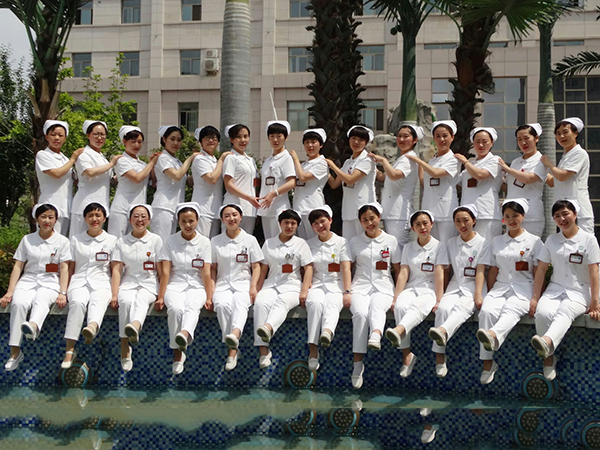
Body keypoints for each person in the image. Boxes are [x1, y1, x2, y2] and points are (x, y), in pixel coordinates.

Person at [529, 199, 600, 380]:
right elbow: (541, 270)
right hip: (555, 289)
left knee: (566, 310)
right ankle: (549, 359)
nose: (562, 219)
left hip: (580, 291)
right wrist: (535, 298)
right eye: (557, 216)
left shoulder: (589, 240)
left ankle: (546, 343)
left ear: (575, 214)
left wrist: (595, 302)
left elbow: (594, 272)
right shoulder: (552, 240)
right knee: (542, 313)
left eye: (565, 214)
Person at [475, 199, 543, 384]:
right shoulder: (497, 241)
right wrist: (490, 293)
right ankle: (488, 364)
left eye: (515, 216)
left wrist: (536, 298)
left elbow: (539, 272)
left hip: (524, 287)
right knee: (487, 311)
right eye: (507, 216)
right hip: (500, 286)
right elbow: (493, 270)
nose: (511, 220)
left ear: (523, 216)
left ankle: (493, 335)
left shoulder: (535, 241)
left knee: (511, 310)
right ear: (503, 219)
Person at [2, 204, 72, 371]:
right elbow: (18, 266)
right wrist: (10, 292)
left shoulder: (63, 241)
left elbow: (64, 268)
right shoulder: (27, 239)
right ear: (36, 219)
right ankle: (15, 352)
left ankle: (33, 326)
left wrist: (63, 292)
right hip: (28, 280)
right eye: (43, 217)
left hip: (50, 281)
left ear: (56, 220)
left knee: (42, 299)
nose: (47, 221)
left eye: (51, 217)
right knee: (18, 303)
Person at [428, 205, 491, 377]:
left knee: (462, 308)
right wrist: (440, 297)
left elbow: (481, 271)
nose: (462, 225)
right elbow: (447, 270)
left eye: (466, 220)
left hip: (474, 286)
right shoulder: (450, 243)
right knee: (443, 309)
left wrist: (478, 294)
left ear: (474, 221)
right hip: (455, 286)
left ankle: (443, 331)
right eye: (458, 221)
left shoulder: (484, 243)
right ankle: (440, 358)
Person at [384, 210, 446, 378]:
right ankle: (407, 355)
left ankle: (399, 330)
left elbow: (439, 274)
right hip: (411, 287)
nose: (422, 227)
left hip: (430, 289)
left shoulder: (439, 246)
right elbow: (403, 272)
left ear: (431, 224)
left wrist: (439, 299)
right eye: (418, 224)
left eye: (425, 223)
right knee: (401, 306)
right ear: (412, 228)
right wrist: (396, 296)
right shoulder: (408, 248)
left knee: (418, 306)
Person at [348, 202, 401, 388]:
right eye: (365, 220)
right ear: (360, 222)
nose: (369, 223)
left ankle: (376, 335)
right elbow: (348, 268)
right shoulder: (354, 242)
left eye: (372, 218)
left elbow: (398, 269)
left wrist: (397, 295)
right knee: (360, 314)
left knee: (377, 305)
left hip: (384, 286)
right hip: (359, 287)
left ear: (379, 218)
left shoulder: (391, 241)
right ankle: (357, 364)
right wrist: (347, 291)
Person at [156, 203, 212, 375]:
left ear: (197, 221)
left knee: (192, 306)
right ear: (178, 222)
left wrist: (209, 297)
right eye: (183, 221)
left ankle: (185, 334)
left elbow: (206, 273)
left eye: (191, 221)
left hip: (197, 285)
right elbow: (166, 272)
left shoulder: (204, 242)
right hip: (175, 284)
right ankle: (178, 354)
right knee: (175, 309)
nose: (188, 225)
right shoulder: (170, 241)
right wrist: (161, 296)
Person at [254, 210, 313, 368]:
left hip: (292, 286)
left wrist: (304, 291)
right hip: (271, 284)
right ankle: (264, 351)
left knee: (282, 302)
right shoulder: (269, 243)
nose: (289, 226)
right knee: (260, 304)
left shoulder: (301, 244)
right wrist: (257, 289)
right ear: (280, 224)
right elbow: (264, 269)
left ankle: (268, 328)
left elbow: (308, 268)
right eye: (286, 222)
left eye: (293, 223)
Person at [62, 203, 118, 369]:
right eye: (91, 215)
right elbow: (70, 267)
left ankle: (92, 327)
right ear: (85, 219)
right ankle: (69, 350)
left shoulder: (112, 241)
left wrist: (115, 294)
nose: (94, 219)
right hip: (79, 281)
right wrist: (63, 292)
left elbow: (115, 269)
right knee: (77, 303)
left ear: (104, 218)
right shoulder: (76, 240)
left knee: (98, 300)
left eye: (98, 215)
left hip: (102, 281)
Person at [111, 204, 163, 372]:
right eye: (136, 216)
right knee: (125, 302)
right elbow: (117, 270)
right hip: (128, 282)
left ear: (149, 220)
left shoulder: (156, 240)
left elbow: (161, 270)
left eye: (143, 216)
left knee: (141, 299)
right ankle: (125, 347)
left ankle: (135, 326)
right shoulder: (121, 242)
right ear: (129, 219)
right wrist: (114, 294)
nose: (140, 220)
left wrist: (162, 295)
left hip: (149, 283)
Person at [211, 204, 264, 371]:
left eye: (234, 215)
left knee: (240, 303)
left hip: (243, 283)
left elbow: (256, 266)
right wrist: (210, 292)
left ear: (241, 217)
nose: (231, 218)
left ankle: (233, 343)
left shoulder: (250, 240)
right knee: (221, 305)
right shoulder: (215, 241)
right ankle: (233, 346)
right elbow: (212, 268)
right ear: (222, 220)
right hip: (222, 284)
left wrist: (253, 287)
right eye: (227, 216)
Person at [305, 205, 352, 370]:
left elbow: (346, 268)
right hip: (317, 284)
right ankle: (313, 349)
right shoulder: (309, 244)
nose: (320, 226)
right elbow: (307, 268)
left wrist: (347, 291)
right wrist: (305, 287)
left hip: (336, 284)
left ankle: (327, 332)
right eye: (315, 223)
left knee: (333, 303)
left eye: (322, 221)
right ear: (312, 227)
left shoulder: (342, 242)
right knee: (315, 304)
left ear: (330, 220)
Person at [370, 125, 421, 251]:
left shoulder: (409, 159)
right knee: (392, 249)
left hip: (399, 213)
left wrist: (383, 160)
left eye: (406, 136)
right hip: (391, 211)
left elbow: (394, 175)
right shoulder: (401, 159)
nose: (401, 139)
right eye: (399, 136)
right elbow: (384, 177)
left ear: (414, 140)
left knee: (398, 249)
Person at [408, 120, 460, 242]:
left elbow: (435, 173)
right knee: (432, 245)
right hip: (429, 208)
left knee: (446, 243)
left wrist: (419, 161)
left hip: (445, 210)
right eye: (438, 136)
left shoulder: (453, 159)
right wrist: (420, 170)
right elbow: (426, 185)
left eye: (445, 136)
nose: (441, 139)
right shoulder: (432, 160)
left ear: (452, 137)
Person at [542, 118, 594, 234]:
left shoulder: (579, 153)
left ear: (575, 133)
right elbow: (553, 182)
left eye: (565, 132)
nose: (561, 136)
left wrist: (550, 165)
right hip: (563, 210)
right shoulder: (566, 156)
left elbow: (562, 176)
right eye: (558, 134)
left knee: (584, 241)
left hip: (579, 210)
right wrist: (540, 170)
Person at [70, 121, 121, 237]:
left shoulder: (101, 157)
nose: (99, 138)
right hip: (84, 204)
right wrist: (111, 164)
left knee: (96, 241)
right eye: (96, 134)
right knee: (79, 239)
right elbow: (89, 172)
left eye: (102, 134)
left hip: (100, 204)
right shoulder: (84, 154)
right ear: (88, 135)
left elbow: (105, 179)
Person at [326, 125, 376, 240]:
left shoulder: (367, 160)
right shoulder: (348, 162)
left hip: (363, 208)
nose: (356, 142)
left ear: (366, 143)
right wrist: (324, 169)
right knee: (349, 242)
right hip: (348, 209)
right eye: (353, 138)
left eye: (361, 140)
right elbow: (334, 184)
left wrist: (333, 166)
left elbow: (350, 179)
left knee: (364, 241)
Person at [109, 126, 160, 238]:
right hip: (122, 208)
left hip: (138, 209)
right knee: (117, 240)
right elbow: (137, 178)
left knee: (135, 241)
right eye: (133, 141)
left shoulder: (143, 164)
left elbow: (152, 182)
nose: (136, 145)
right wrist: (151, 163)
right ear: (124, 141)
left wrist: (152, 165)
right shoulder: (121, 160)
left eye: (139, 142)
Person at [498, 124, 548, 238]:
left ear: (536, 138)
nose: (523, 142)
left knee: (530, 246)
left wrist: (508, 169)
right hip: (512, 214)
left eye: (526, 138)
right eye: (519, 139)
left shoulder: (541, 161)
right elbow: (508, 186)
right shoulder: (516, 162)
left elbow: (529, 179)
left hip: (531, 215)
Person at [151, 126, 200, 240]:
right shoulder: (162, 158)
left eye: (179, 140)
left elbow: (188, 182)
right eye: (172, 139)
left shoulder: (177, 161)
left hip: (175, 207)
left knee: (170, 243)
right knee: (161, 243)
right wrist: (190, 158)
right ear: (164, 139)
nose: (175, 143)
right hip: (163, 206)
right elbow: (177, 176)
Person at [35, 120, 83, 236]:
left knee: (60, 241)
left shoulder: (64, 159)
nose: (57, 138)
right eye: (53, 134)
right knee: (48, 240)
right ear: (46, 136)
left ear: (65, 138)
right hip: (49, 206)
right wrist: (73, 159)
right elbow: (57, 174)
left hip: (65, 207)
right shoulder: (43, 155)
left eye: (60, 135)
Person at [455, 128, 502, 241]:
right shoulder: (472, 163)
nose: (481, 145)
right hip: (468, 214)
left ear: (491, 143)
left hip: (487, 214)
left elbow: (480, 175)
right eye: (477, 142)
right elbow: (457, 183)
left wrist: (465, 162)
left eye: (484, 141)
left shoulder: (495, 160)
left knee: (487, 246)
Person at [257, 121, 297, 239]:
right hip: (266, 208)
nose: (275, 140)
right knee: (269, 241)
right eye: (272, 136)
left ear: (286, 137)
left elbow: (292, 182)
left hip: (279, 207)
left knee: (281, 240)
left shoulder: (286, 158)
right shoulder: (268, 160)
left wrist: (274, 193)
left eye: (279, 136)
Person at [289, 128, 329, 240]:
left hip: (312, 206)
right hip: (299, 208)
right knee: (302, 241)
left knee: (314, 240)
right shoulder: (304, 165)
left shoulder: (322, 163)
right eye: (307, 142)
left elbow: (303, 178)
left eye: (313, 142)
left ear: (321, 145)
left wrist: (295, 159)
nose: (310, 145)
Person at [191, 126, 230, 238]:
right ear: (201, 142)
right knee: (202, 242)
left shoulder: (214, 160)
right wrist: (222, 159)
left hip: (215, 209)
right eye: (207, 138)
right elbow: (211, 179)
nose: (211, 141)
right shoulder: (200, 159)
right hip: (202, 209)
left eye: (214, 138)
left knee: (212, 243)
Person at [222, 124, 260, 234]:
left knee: (246, 240)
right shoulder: (231, 158)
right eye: (238, 137)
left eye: (245, 136)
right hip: (234, 207)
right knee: (229, 240)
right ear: (231, 139)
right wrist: (248, 198)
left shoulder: (250, 160)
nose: (243, 140)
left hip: (250, 208)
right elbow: (228, 185)